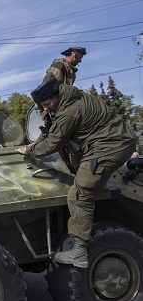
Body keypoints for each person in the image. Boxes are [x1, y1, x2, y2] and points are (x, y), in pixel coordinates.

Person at [16, 77, 135, 268]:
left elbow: (53, 144)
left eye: (48, 104)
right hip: (108, 143)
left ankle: (79, 252)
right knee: (82, 178)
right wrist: (36, 143)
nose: (47, 109)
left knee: (79, 194)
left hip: (110, 147)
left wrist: (29, 150)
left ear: (56, 96)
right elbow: (50, 132)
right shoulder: (67, 99)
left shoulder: (69, 111)